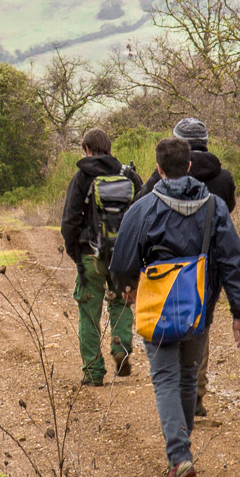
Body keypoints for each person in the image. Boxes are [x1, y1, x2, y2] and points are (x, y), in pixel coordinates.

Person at [110, 136, 240, 477]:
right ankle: (182, 448)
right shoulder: (215, 206)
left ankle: (179, 457)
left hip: (157, 306)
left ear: (159, 169)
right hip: (199, 305)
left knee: (164, 378)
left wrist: (128, 286)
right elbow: (233, 259)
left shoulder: (143, 208)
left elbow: (123, 261)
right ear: (189, 166)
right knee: (189, 376)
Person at [139, 117, 236, 414]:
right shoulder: (224, 178)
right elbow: (228, 209)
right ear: (207, 141)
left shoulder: (164, 175)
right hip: (211, 263)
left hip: (172, 265)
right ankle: (195, 391)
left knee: (173, 318)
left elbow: (141, 207)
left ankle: (179, 387)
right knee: (201, 322)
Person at [59, 127, 140, 385]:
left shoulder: (82, 177)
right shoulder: (129, 176)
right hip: (124, 257)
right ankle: (121, 349)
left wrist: (76, 255)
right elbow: (142, 216)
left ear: (87, 149)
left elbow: (69, 223)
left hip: (89, 256)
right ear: (109, 148)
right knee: (121, 303)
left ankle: (93, 373)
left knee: (89, 314)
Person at [140, 117, 236, 211]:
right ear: (205, 142)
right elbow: (228, 208)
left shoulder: (165, 173)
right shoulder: (225, 178)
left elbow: (140, 204)